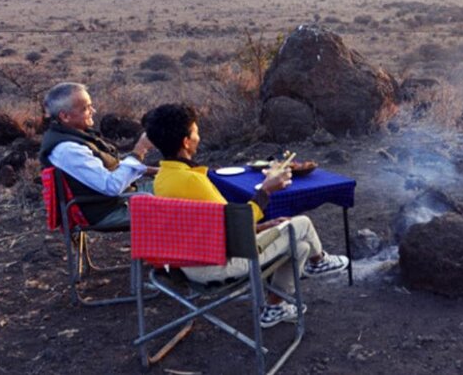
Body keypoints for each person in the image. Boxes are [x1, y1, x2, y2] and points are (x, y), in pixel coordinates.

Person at [142, 103, 349, 328]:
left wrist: (263, 226)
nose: (199, 136)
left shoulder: (163, 177)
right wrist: (266, 190)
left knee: (300, 247)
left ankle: (275, 307)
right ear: (186, 141)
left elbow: (214, 223)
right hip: (218, 264)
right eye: (196, 131)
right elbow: (234, 226)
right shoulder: (192, 181)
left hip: (188, 258)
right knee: (301, 224)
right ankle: (319, 262)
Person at [38, 82, 155, 229]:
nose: (93, 110)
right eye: (85, 108)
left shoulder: (73, 135)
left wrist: (152, 170)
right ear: (65, 116)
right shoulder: (68, 150)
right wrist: (139, 151)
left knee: (174, 183)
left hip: (116, 200)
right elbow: (111, 186)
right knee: (180, 196)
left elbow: (111, 166)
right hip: (107, 211)